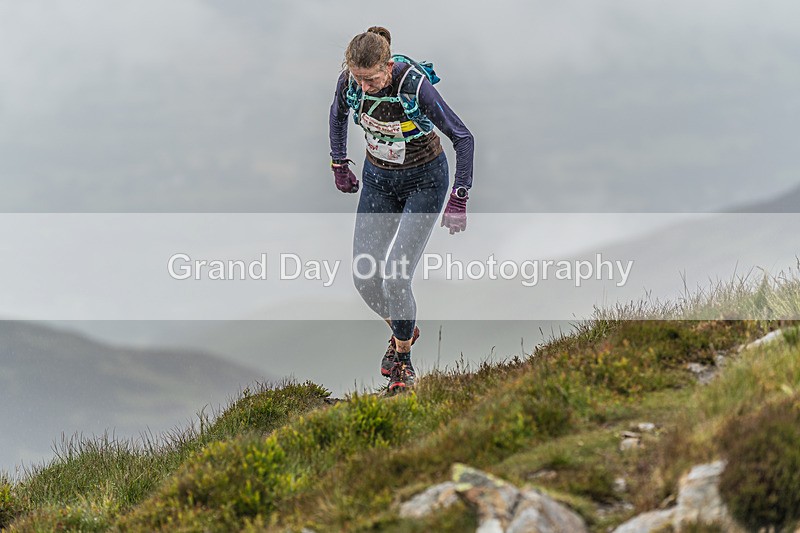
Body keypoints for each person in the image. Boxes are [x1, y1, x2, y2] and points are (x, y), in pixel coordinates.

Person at [328, 26, 474, 393]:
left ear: (388, 67)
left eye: (372, 78)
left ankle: (402, 362)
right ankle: (403, 325)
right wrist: (339, 163)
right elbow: (337, 115)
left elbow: (463, 137)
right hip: (379, 182)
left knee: (396, 277)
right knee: (364, 277)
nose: (364, 87)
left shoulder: (413, 85)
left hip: (424, 183)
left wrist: (459, 196)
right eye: (358, 79)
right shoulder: (349, 82)